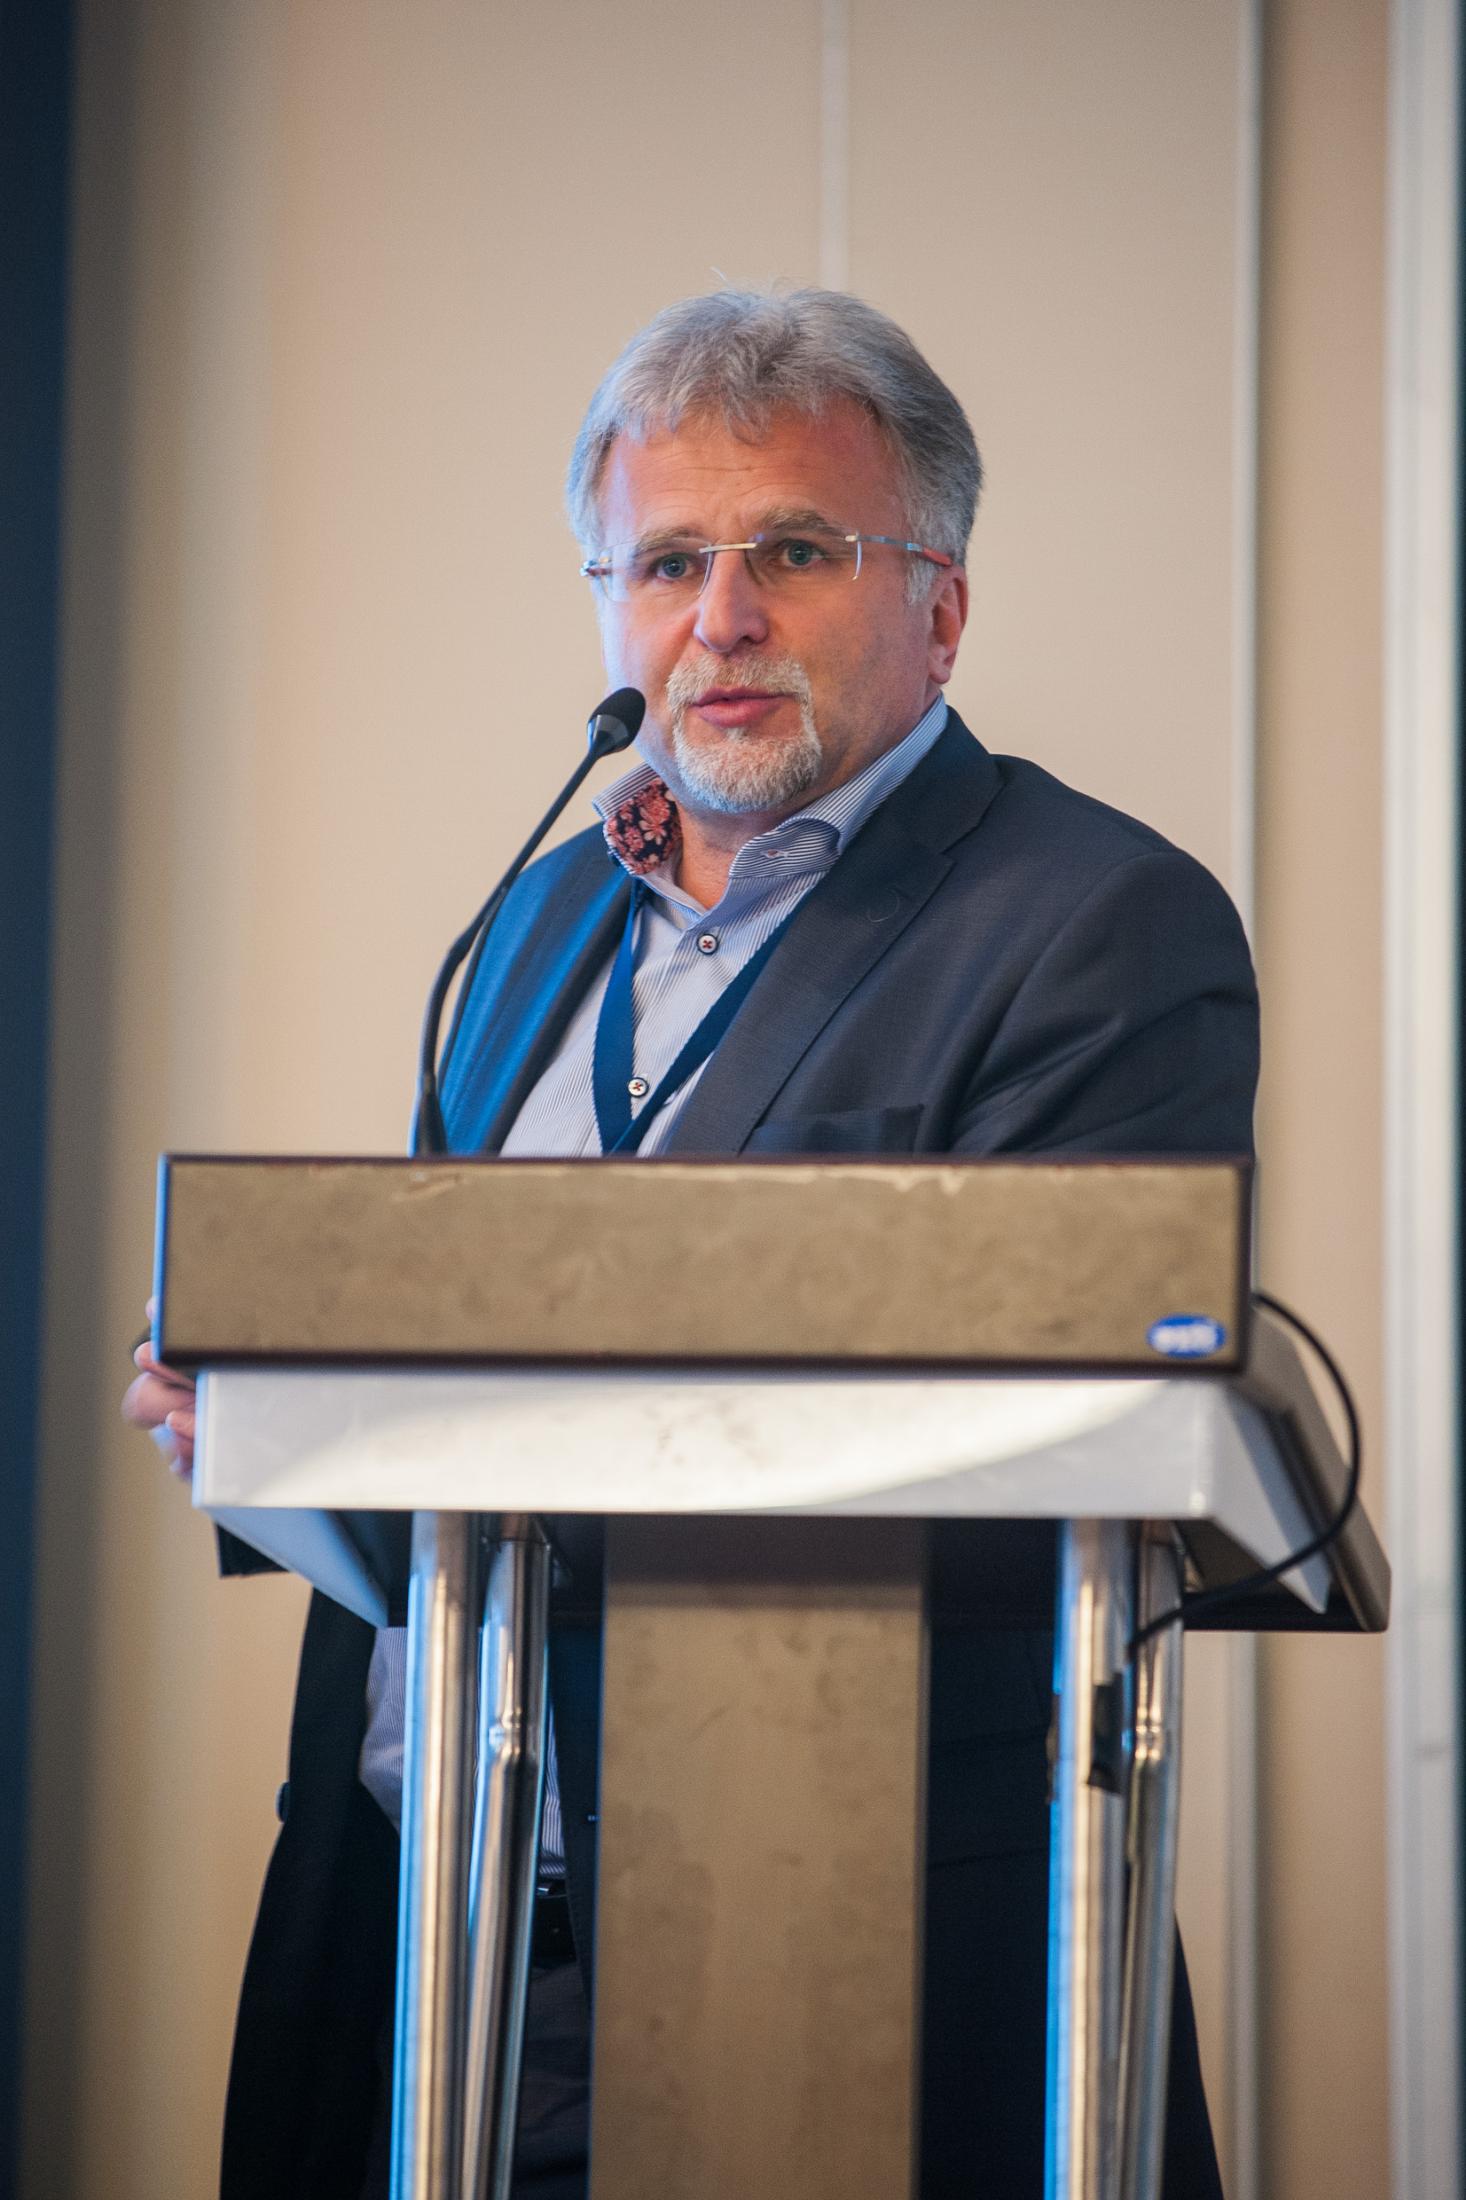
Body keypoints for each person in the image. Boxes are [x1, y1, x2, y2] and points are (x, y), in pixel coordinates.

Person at [126, 287, 1257, 2199]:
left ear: (940, 606)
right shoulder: (535, 924)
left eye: (792, 551)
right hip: (424, 1923)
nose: (718, 617)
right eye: (664, 562)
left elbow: (1050, 1449)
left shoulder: (1094, 922)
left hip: (843, 1946)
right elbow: (451, 1367)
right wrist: (268, 1419)